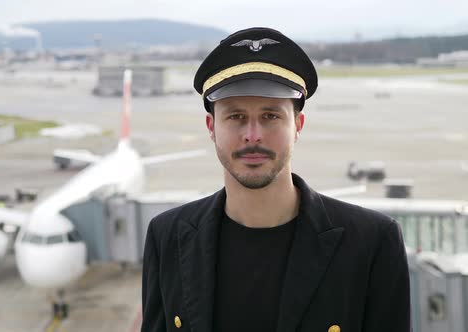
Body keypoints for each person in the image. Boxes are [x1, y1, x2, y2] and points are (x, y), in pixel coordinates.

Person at [141, 27, 411, 332]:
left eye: (271, 116)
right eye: (236, 116)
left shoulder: (372, 243)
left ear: (298, 124)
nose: (253, 135)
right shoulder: (167, 237)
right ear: (211, 126)